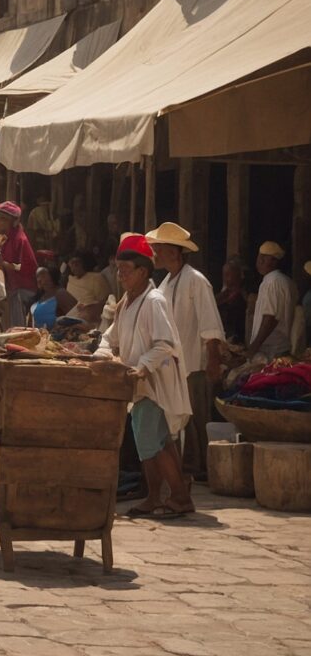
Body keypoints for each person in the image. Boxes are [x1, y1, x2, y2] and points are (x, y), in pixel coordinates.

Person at [96, 233, 194, 519]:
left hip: (153, 383)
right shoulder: (126, 302)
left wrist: (142, 367)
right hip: (137, 384)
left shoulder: (154, 301)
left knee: (151, 442)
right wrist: (100, 356)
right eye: (119, 270)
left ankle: (177, 497)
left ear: (143, 271)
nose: (120, 275)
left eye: (126, 271)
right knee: (157, 441)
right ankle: (158, 497)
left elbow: (165, 343)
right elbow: (109, 337)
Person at [146, 222, 224, 482]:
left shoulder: (196, 281)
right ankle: (189, 466)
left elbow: (210, 325)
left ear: (174, 252)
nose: (154, 252)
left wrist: (213, 361)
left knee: (197, 417)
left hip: (193, 362)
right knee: (182, 419)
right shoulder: (166, 283)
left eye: (159, 248)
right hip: (175, 365)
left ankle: (201, 468)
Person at [0, 201, 38, 328]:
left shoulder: (19, 240)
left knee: (13, 309)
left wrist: (3, 264)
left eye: (2, 219)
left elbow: (23, 267)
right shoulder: (3, 238)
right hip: (10, 285)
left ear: (11, 222)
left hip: (23, 287)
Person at [250, 240, 296, 359]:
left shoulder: (272, 282)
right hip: (281, 348)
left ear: (275, 261)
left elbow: (270, 318)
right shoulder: (287, 281)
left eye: (265, 258)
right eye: (260, 256)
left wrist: (253, 348)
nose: (260, 261)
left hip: (270, 352)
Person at [64, 249, 112, 327]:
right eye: (72, 263)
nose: (74, 266)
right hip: (69, 318)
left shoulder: (96, 278)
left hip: (90, 320)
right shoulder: (70, 280)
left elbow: (106, 302)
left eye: (77, 263)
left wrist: (89, 307)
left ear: (84, 263)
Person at [216, 255, 249, 343]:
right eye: (224, 275)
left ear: (238, 274)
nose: (225, 278)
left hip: (237, 339)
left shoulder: (243, 297)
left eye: (228, 274)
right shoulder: (224, 294)